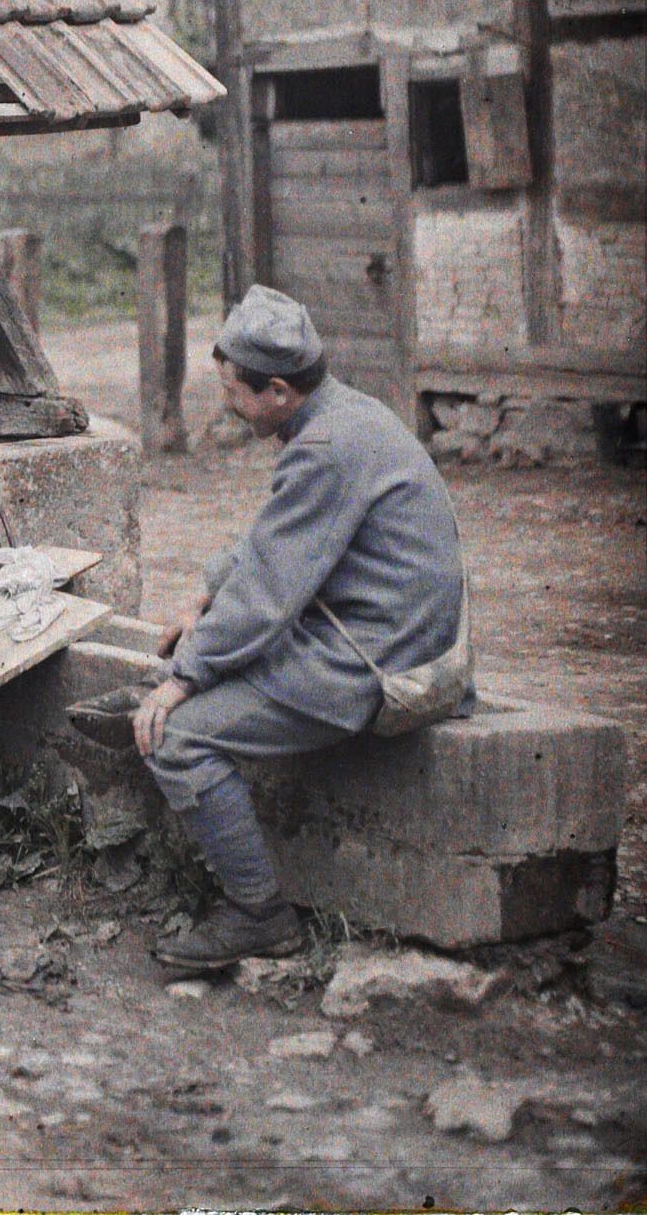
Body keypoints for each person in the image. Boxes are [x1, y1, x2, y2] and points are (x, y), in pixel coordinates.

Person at [89, 286, 467, 977]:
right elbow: (275, 540)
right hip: (384, 633)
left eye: (234, 390)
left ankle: (257, 914)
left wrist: (182, 680)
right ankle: (165, 694)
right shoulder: (344, 414)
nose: (226, 401)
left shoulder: (323, 447)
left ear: (276, 391)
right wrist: (207, 591)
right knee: (201, 656)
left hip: (378, 662)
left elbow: (267, 596)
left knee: (178, 736)